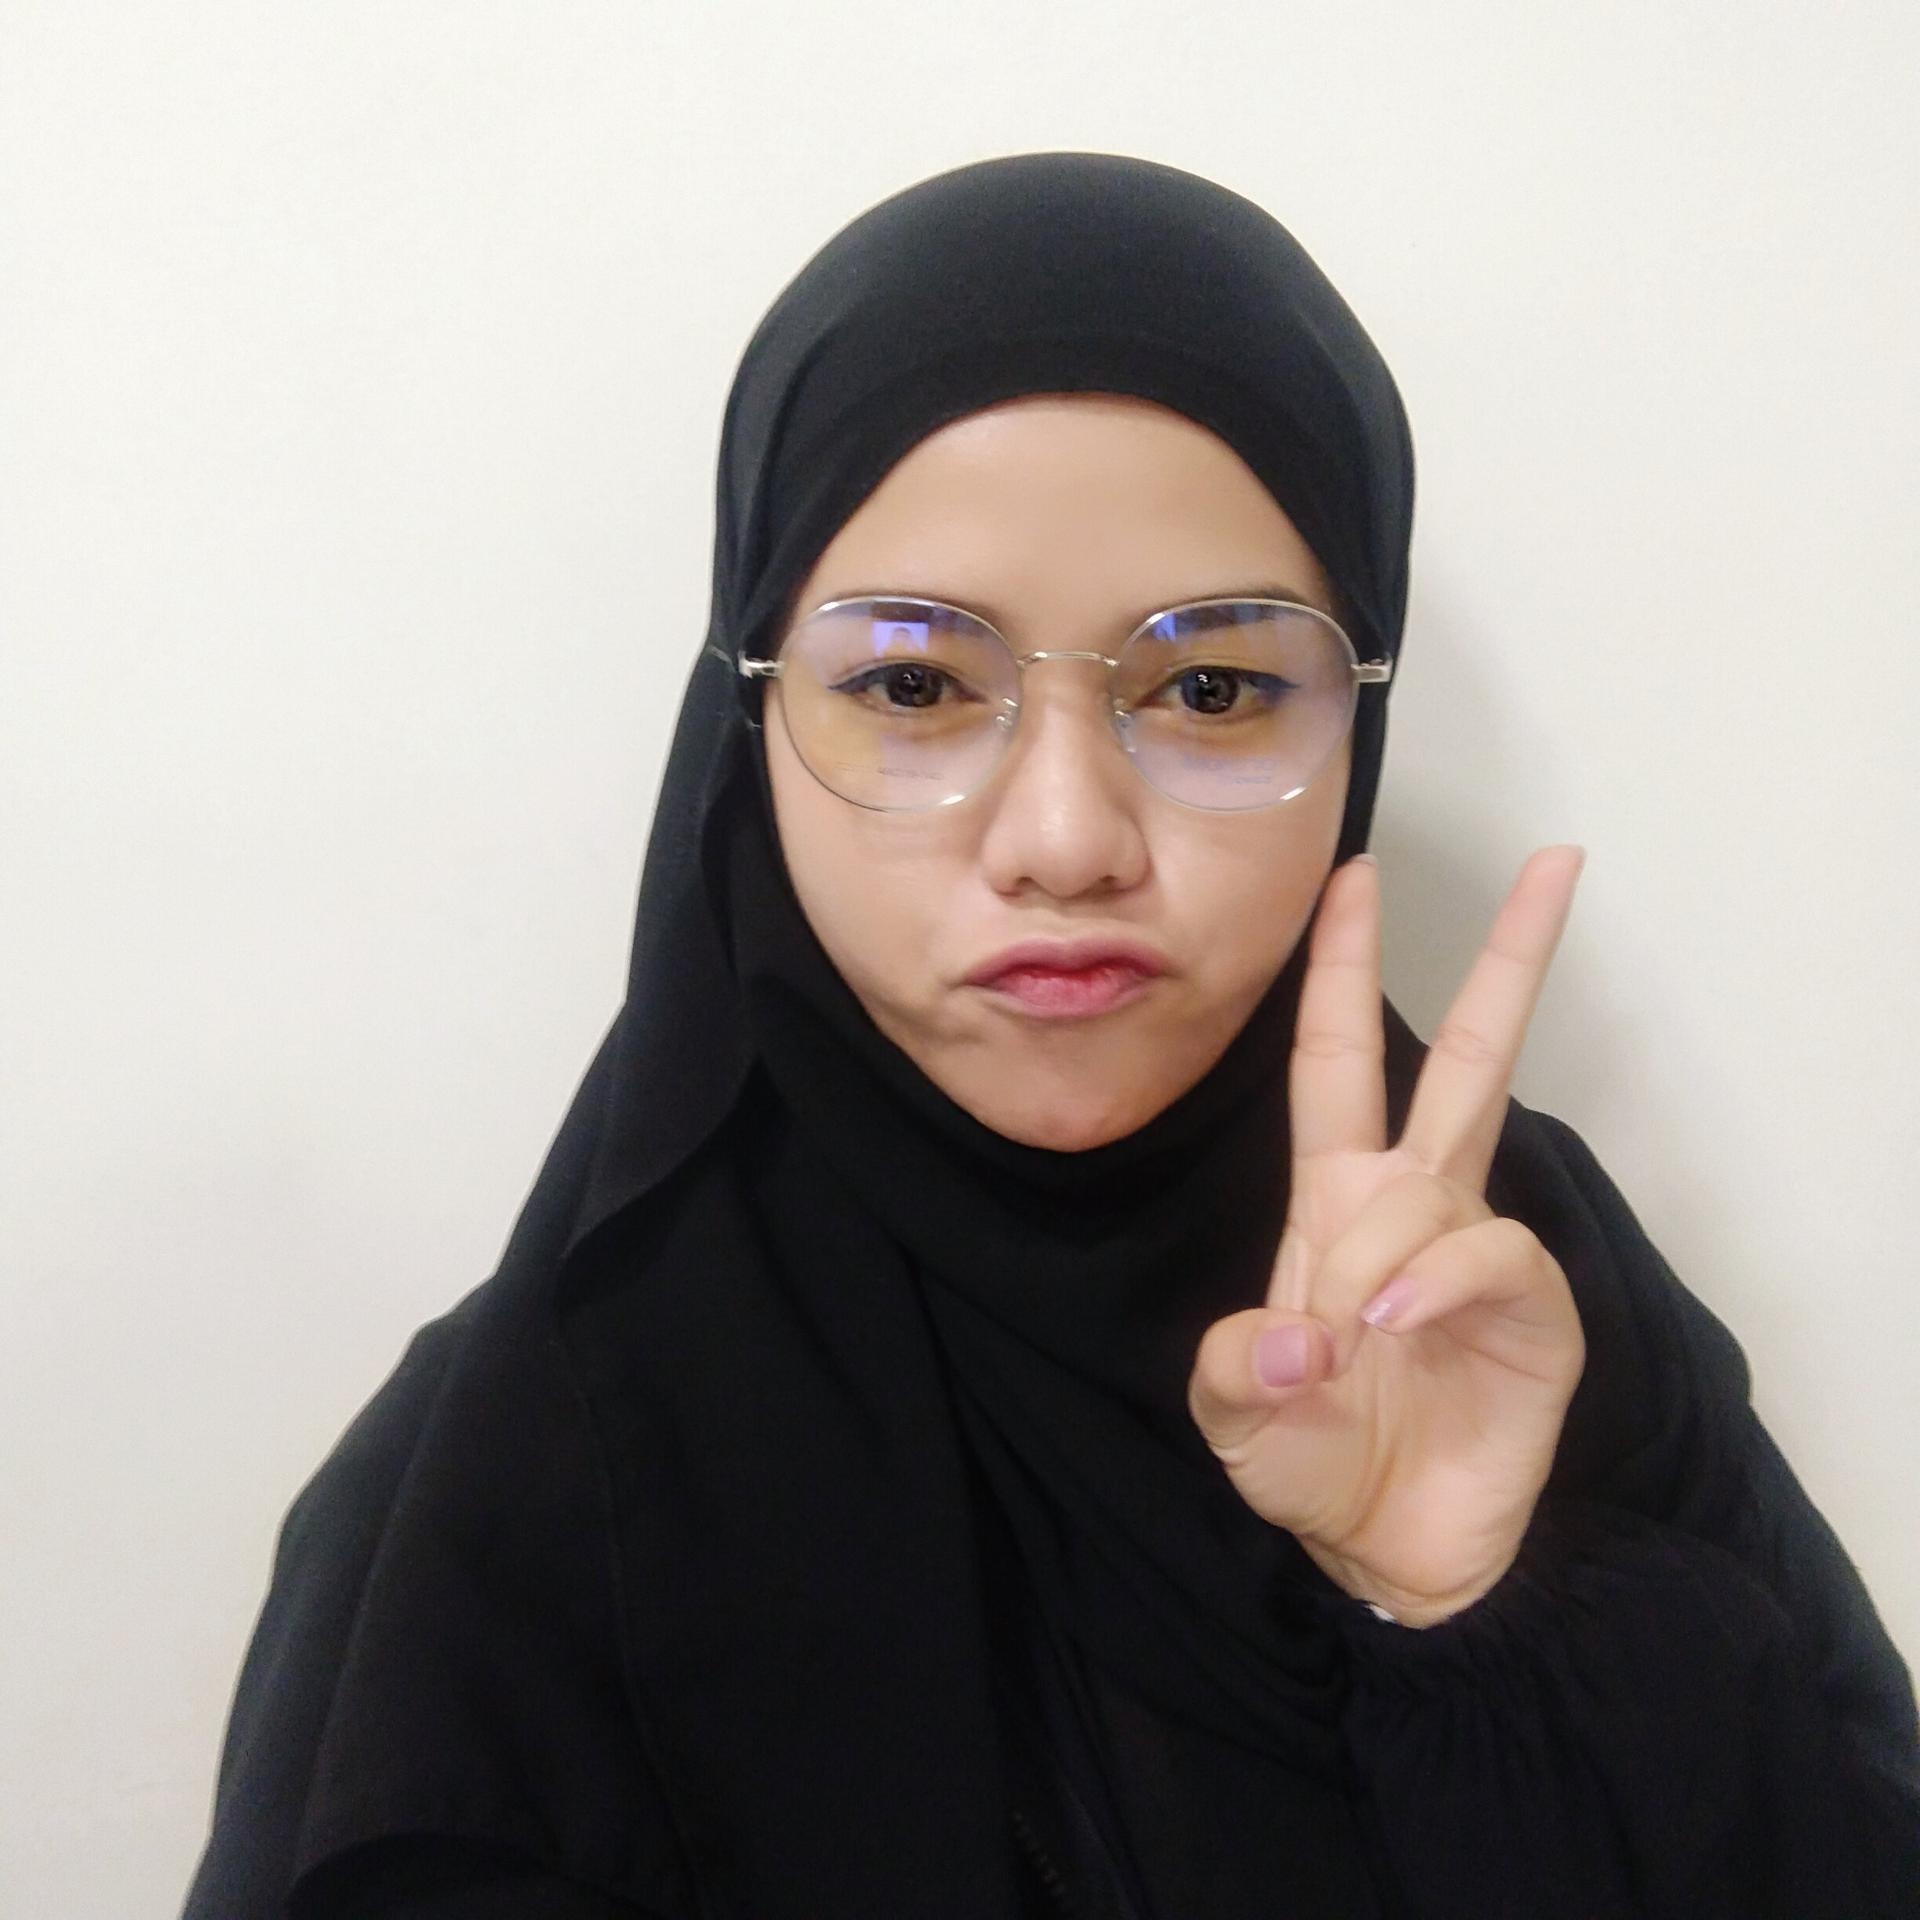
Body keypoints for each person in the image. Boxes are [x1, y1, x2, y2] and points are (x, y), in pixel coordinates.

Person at [180, 152, 1920, 1920]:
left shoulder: (1513, 1306)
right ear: (751, 723)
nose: (1069, 840)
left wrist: (1480, 1618)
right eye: (914, 684)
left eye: (1214, 688)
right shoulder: (520, 1497)